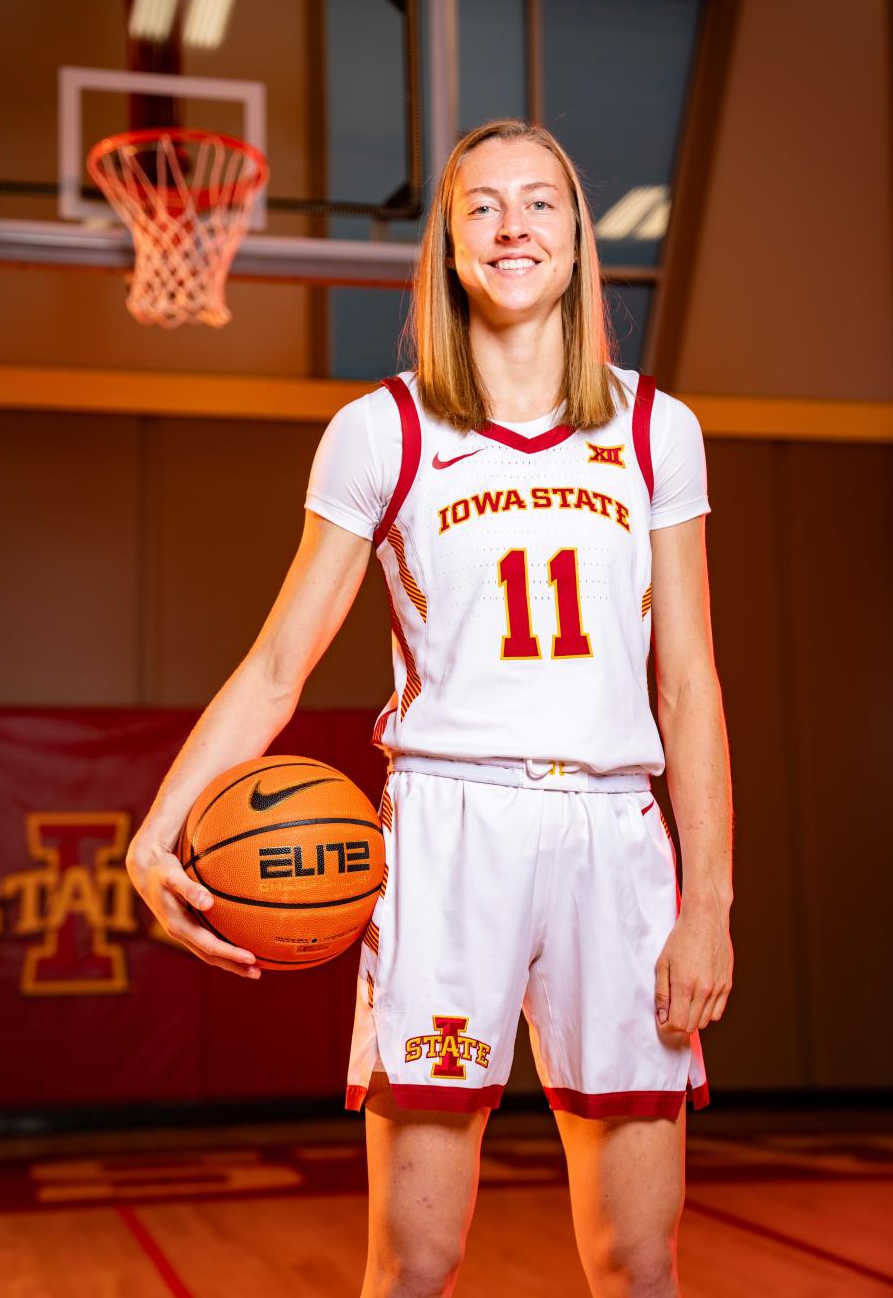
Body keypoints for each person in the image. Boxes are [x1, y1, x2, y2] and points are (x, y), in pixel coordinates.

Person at [127, 118, 734, 1298]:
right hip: (452, 831)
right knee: (410, 1264)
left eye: (541, 203)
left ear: (576, 236)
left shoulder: (658, 427)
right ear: (450, 248)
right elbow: (275, 665)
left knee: (641, 1261)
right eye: (483, 208)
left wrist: (706, 898)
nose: (514, 227)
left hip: (618, 834)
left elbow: (690, 679)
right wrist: (158, 829)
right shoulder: (382, 430)